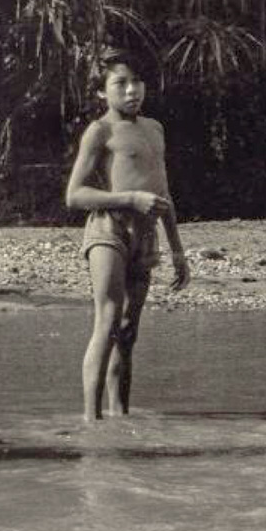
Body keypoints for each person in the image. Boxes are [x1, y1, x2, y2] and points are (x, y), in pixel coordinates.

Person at [65, 48, 189, 420]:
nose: (132, 90)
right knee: (107, 316)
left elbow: (164, 193)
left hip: (146, 235)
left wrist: (178, 250)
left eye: (137, 81)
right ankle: (91, 419)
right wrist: (130, 198)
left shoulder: (154, 129)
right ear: (102, 92)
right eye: (121, 83)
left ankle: (120, 416)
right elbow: (75, 195)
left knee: (128, 330)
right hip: (108, 229)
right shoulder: (99, 131)